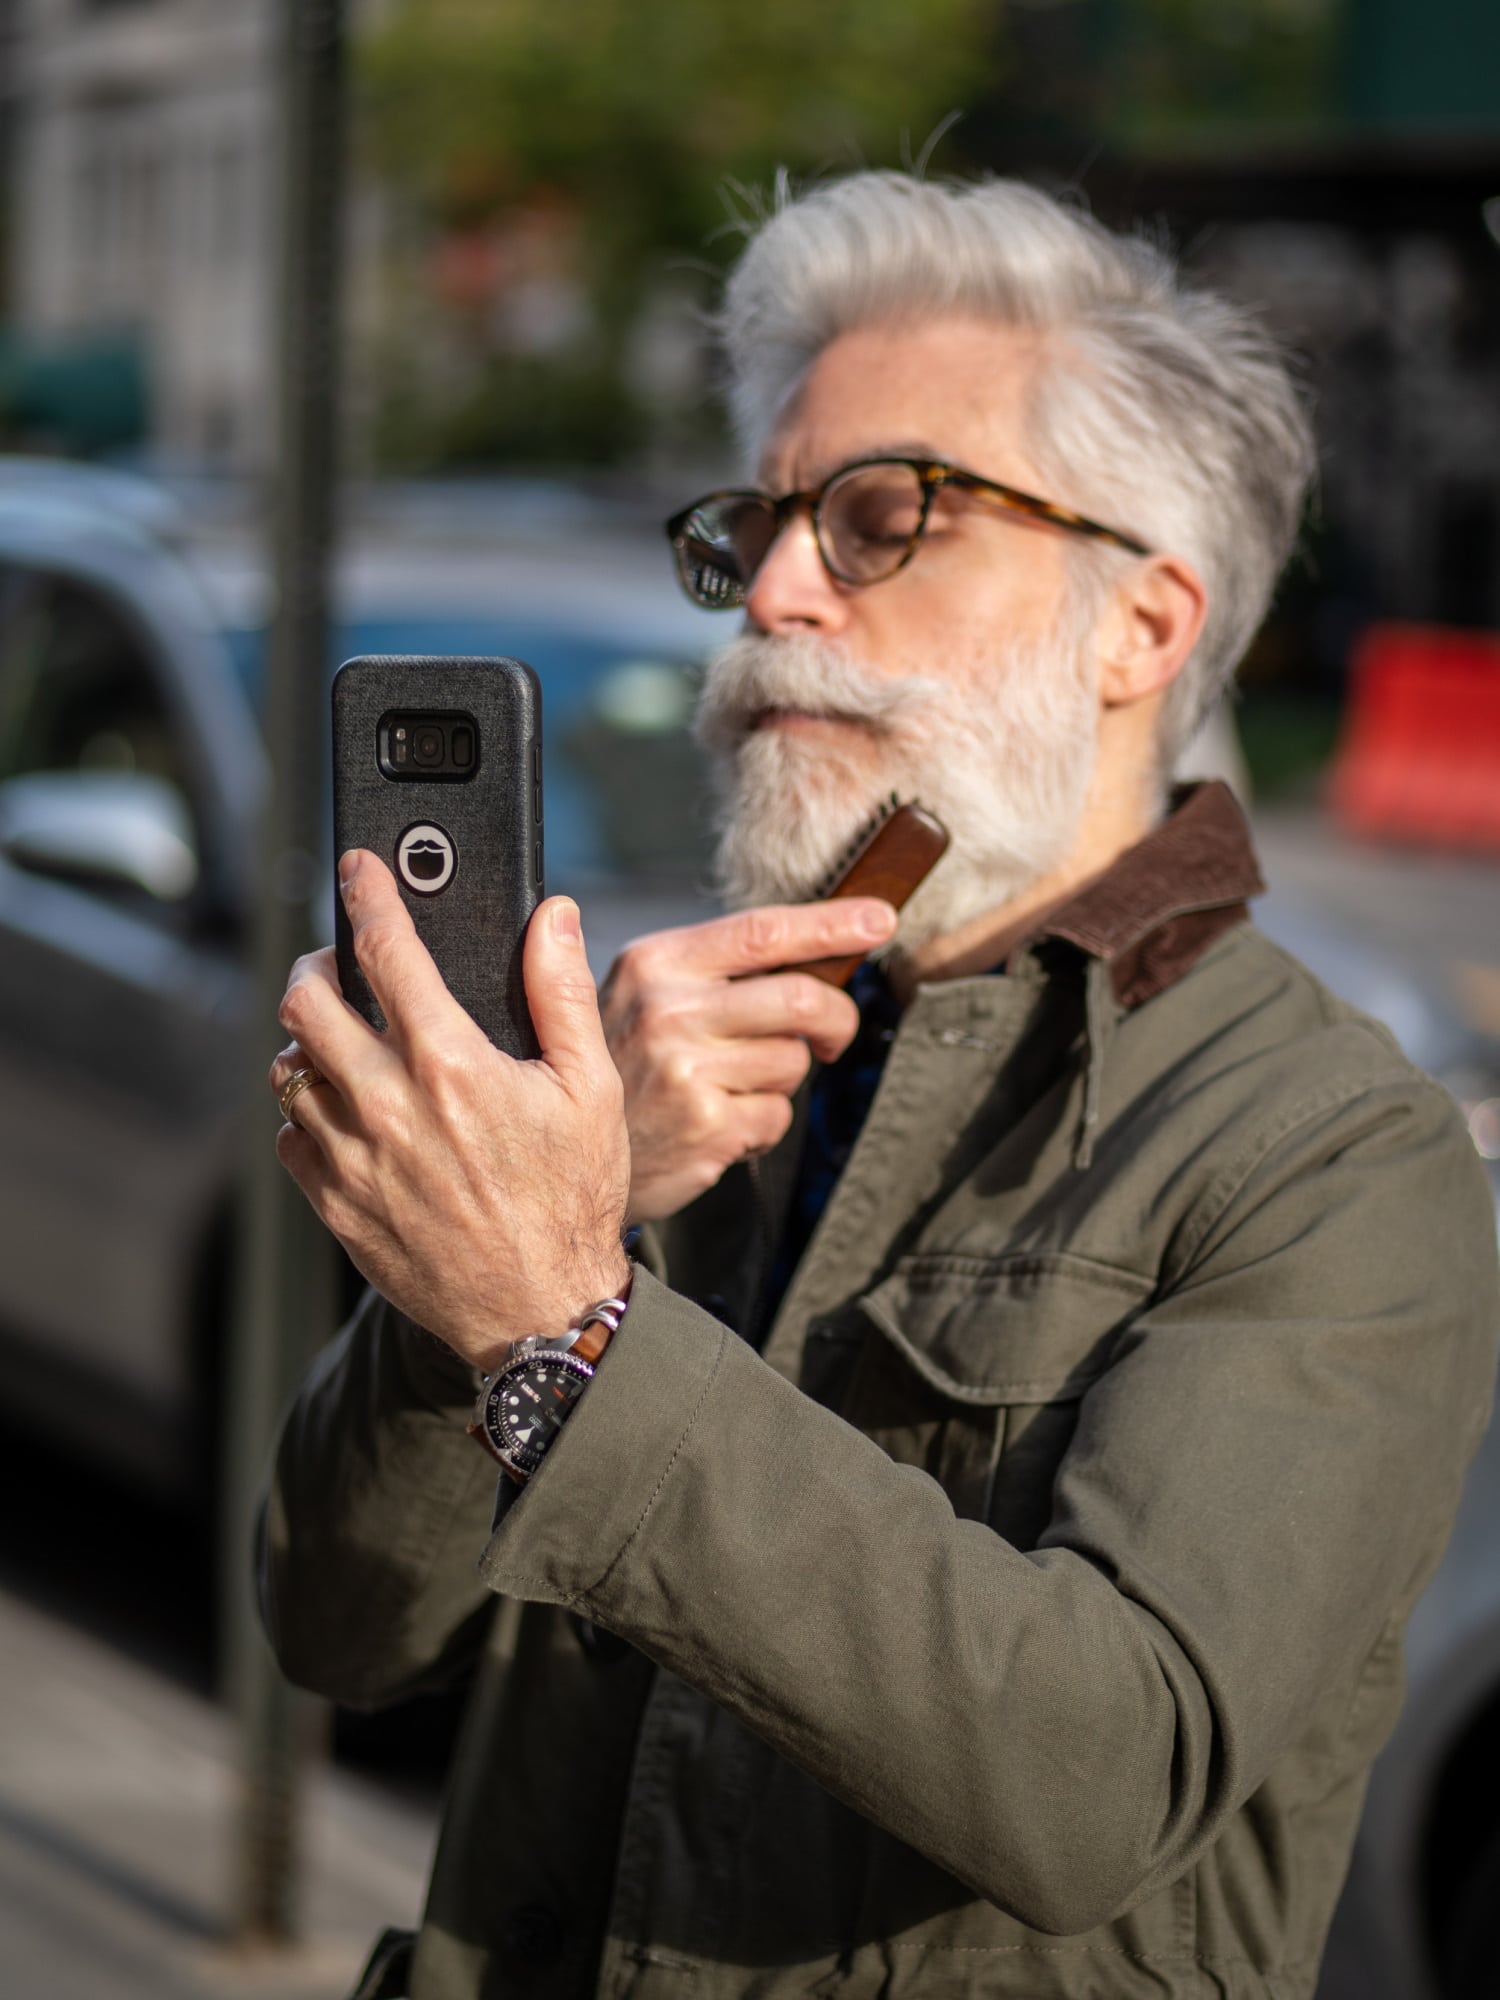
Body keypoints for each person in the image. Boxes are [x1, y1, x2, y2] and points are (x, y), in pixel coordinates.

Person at [259, 172, 1499, 2000]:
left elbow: (1096, 1777)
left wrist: (567, 1325)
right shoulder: (674, 1060)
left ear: (1140, 626)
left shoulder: (1331, 1152)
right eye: (755, 524)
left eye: (877, 516)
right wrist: (537, 1237)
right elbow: (343, 1626)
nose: (771, 590)